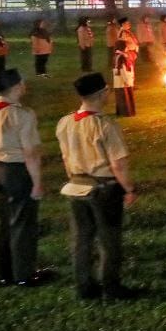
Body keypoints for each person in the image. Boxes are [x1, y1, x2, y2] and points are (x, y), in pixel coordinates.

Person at [55, 73, 141, 300]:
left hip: (76, 185)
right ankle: (111, 287)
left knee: (81, 239)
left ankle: (84, 286)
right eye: (107, 91)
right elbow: (118, 163)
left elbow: (65, 157)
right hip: (104, 188)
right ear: (102, 94)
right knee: (109, 240)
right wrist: (129, 189)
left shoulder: (65, 122)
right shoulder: (105, 125)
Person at [0, 68, 49, 287]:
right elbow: (30, 152)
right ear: (17, 86)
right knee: (23, 224)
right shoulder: (23, 115)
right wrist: (36, 183)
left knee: (3, 224)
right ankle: (24, 274)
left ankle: (4, 273)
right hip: (17, 171)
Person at [111, 39, 136, 117]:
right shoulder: (121, 57)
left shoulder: (119, 56)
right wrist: (127, 80)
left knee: (123, 96)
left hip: (119, 80)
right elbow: (122, 69)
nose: (127, 48)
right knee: (124, 97)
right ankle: (126, 112)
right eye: (126, 46)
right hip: (122, 80)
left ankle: (124, 111)